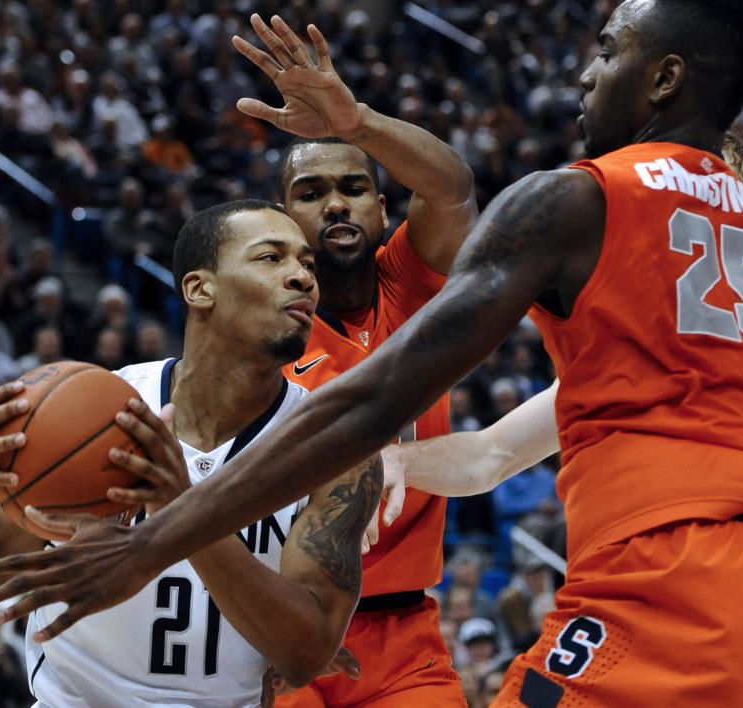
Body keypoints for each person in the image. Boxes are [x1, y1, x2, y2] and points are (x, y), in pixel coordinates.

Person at [0, 1, 743, 704]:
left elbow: (366, 398)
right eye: (306, 199)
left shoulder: (571, 203)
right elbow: (492, 450)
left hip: (670, 579)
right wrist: (391, 468)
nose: (582, 71)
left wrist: (145, 545)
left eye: (605, 50)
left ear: (662, 76)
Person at [0, 200, 381, 707]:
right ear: (198, 288)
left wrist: (181, 509)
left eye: (307, 264)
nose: (302, 277)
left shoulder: (336, 448)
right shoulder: (91, 414)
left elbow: (307, 652)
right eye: (271, 258)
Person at [232, 14, 477, 706]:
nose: (335, 202)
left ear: (378, 204)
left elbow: (452, 189)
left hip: (404, 631)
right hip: (282, 629)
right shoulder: (256, 325)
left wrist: (355, 120)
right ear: (280, 218)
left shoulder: (411, 278)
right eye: (310, 194)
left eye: (353, 187)